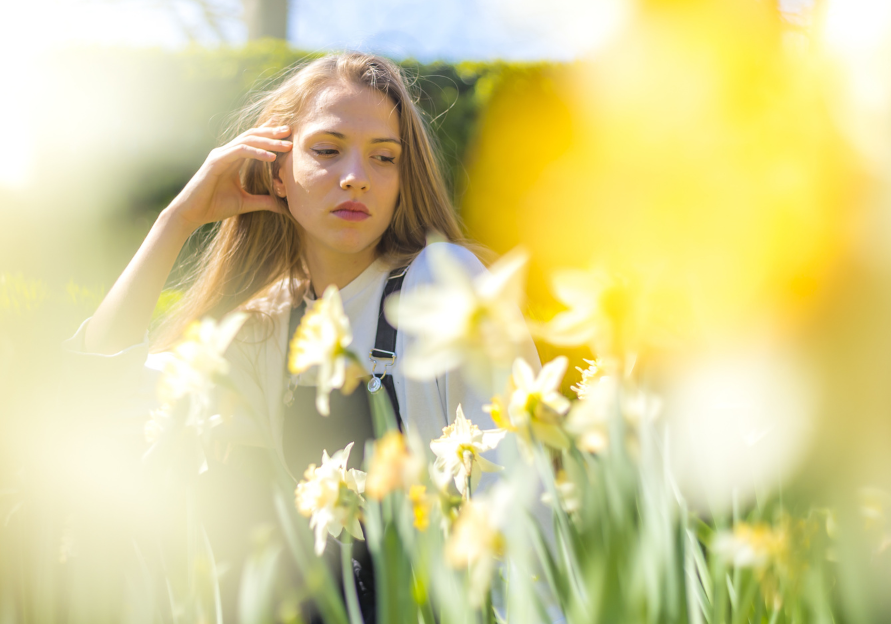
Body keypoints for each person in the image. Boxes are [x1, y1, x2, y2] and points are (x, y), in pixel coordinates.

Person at [67, 52, 538, 620]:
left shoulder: (443, 280)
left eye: (383, 157)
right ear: (277, 172)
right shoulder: (266, 324)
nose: (356, 176)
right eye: (327, 149)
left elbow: (518, 502)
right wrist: (178, 218)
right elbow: (103, 399)